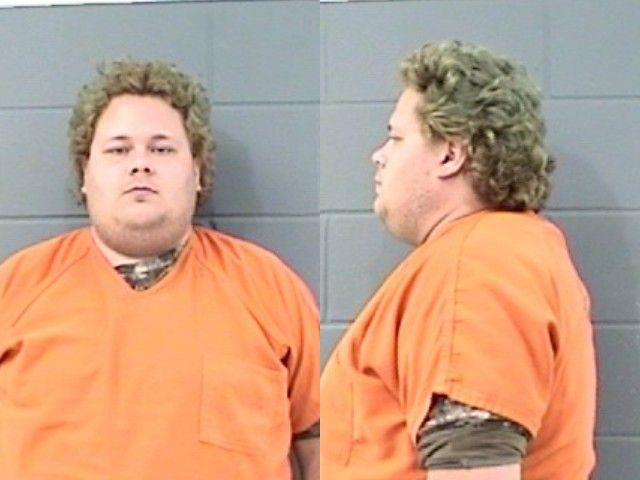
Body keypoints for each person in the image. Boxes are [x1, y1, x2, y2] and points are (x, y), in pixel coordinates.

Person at [0, 60, 319, 480]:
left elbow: (320, 444)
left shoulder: (270, 287)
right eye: (118, 150)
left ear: (197, 171)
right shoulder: (16, 288)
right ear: (85, 174)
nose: (140, 164)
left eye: (162, 149)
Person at [320, 40, 596, 480]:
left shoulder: (474, 269)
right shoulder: (506, 251)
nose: (379, 155)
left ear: (450, 154)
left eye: (396, 138)